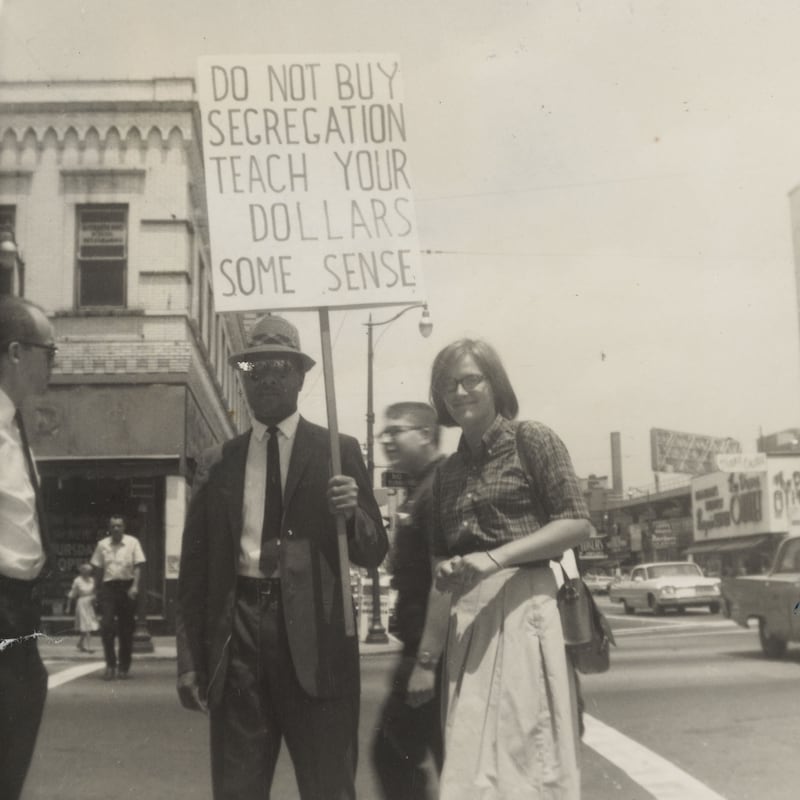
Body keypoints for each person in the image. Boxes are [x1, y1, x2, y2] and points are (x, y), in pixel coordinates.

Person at [176, 313, 388, 800]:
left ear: (301, 375)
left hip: (319, 648)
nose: (268, 376)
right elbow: (195, 571)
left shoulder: (338, 451)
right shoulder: (218, 463)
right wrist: (190, 660)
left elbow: (374, 552)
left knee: (329, 786)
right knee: (238, 788)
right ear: (243, 380)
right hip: (239, 640)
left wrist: (353, 511)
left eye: (280, 366)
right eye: (254, 368)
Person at [420, 338, 591, 800]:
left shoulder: (530, 439)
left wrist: (495, 558)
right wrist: (426, 654)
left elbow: (577, 523)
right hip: (467, 623)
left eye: (471, 379)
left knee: (526, 760)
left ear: (495, 383)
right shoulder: (446, 474)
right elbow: (439, 560)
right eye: (448, 384)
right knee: (469, 765)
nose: (459, 392)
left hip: (525, 607)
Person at [371, 402, 447, 800]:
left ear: (425, 434)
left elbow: (444, 580)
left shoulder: (437, 488)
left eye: (396, 430)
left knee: (394, 752)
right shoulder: (423, 486)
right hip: (424, 647)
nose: (387, 440)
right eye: (384, 432)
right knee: (432, 756)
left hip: (431, 651)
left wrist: (426, 664)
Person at [0, 294, 57, 800]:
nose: (54, 364)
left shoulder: (15, 428)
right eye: (49, 352)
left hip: (20, 614)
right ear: (16, 352)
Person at [90, 514, 146, 680]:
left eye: (119, 525)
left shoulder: (133, 542)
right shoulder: (102, 545)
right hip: (108, 588)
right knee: (106, 626)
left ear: (124, 527)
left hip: (127, 587)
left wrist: (135, 586)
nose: (116, 528)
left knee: (126, 630)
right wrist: (94, 590)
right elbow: (99, 570)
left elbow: (138, 566)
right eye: (113, 526)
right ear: (109, 528)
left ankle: (124, 666)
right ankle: (110, 664)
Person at [67, 563, 99, 653]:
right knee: (86, 624)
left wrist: (94, 599)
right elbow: (72, 594)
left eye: (90, 572)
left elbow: (94, 591)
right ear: (82, 571)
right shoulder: (77, 580)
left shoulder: (92, 580)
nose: (88, 573)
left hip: (90, 604)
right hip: (82, 603)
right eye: (86, 571)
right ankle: (89, 646)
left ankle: (80, 643)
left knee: (89, 624)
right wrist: (68, 607)